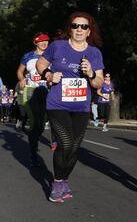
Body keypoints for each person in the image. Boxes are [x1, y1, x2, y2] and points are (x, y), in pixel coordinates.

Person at [36, 12, 104, 203]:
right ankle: (57, 182)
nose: (79, 30)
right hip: (57, 104)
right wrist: (49, 75)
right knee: (66, 143)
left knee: (74, 148)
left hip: (81, 107)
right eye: (75, 26)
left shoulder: (94, 53)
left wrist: (91, 73)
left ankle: (64, 179)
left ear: (89, 31)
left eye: (83, 27)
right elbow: (41, 63)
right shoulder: (58, 47)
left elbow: (98, 83)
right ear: (70, 28)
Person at [16, 32, 50, 167]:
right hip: (31, 91)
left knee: (41, 125)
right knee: (35, 122)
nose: (44, 43)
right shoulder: (28, 56)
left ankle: (33, 136)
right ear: (35, 42)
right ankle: (33, 152)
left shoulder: (51, 54)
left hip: (47, 92)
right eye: (41, 41)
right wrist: (22, 79)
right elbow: (20, 71)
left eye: (46, 41)